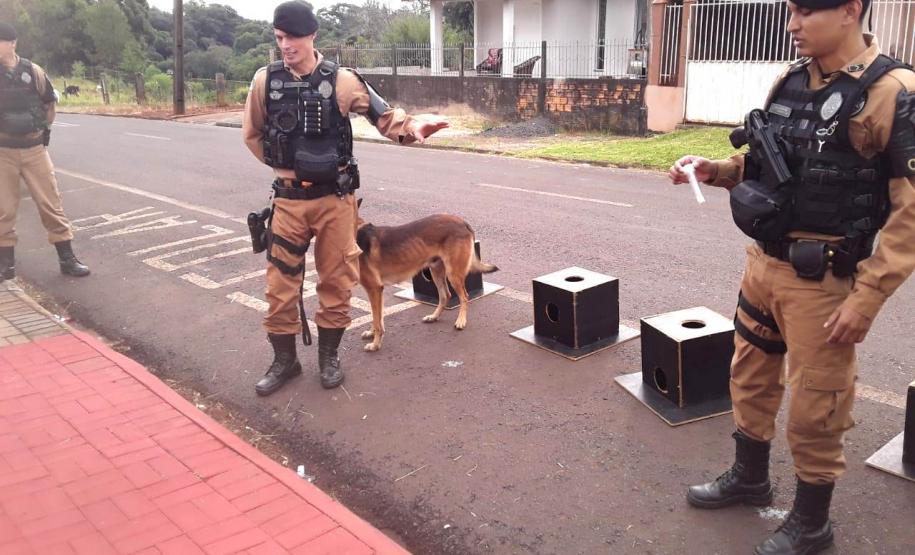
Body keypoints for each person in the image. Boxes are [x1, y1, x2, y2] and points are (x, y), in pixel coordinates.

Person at [669, 1, 915, 553]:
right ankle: (750, 477)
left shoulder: (893, 91)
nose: (792, 25)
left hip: (823, 280)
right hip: (764, 263)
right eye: (789, 11)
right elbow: (768, 162)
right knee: (749, 376)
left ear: (850, 10)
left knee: (816, 403)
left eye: (805, 11)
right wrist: (718, 171)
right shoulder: (790, 80)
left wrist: (867, 298)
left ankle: (811, 522)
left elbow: (911, 213)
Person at [243, 1, 449, 396]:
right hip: (288, 202)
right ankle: (285, 362)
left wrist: (413, 128)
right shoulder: (264, 82)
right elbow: (252, 134)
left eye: (293, 37)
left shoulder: (342, 81)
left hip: (335, 202)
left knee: (337, 283)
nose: (286, 45)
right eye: (280, 37)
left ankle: (329, 358)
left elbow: (385, 118)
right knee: (279, 286)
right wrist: (287, 168)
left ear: (312, 35)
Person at [0, 22, 90, 281]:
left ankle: (67, 259)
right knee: (4, 210)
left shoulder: (34, 71)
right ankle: (6, 265)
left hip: (34, 150)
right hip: (3, 151)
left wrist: (42, 132)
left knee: (51, 204)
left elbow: (49, 104)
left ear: (12, 43)